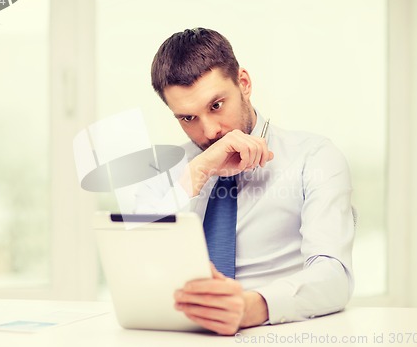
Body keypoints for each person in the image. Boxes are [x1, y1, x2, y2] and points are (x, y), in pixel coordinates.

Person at [144, 27, 355, 335]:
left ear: (243, 83)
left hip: (276, 331)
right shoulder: (175, 169)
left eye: (216, 105)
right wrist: (200, 169)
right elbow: (137, 257)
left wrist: (248, 307)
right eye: (188, 118)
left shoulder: (314, 157)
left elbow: (335, 276)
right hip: (184, 334)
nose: (210, 130)